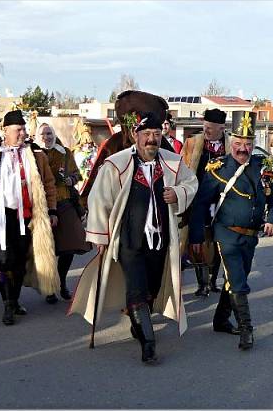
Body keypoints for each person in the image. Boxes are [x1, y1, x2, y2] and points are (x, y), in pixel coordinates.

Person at [69, 111, 197, 364]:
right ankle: (148, 344)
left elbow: (191, 182)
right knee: (136, 287)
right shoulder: (117, 164)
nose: (152, 139)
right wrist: (99, 236)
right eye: (147, 134)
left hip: (160, 239)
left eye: (157, 135)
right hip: (129, 239)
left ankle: (140, 322)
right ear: (136, 136)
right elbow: (99, 199)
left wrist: (178, 193)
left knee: (150, 286)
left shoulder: (172, 162)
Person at [189, 111, 273, 350]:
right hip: (226, 234)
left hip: (251, 236)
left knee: (235, 278)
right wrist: (197, 236)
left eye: (248, 144)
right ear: (231, 143)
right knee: (237, 280)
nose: (243, 149)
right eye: (238, 144)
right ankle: (246, 329)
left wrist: (272, 220)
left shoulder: (262, 167)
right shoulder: (217, 169)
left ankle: (220, 320)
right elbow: (200, 204)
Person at [0, 110, 59, 326]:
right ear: (5, 131)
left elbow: (49, 185)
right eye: (18, 130)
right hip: (0, 215)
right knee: (2, 260)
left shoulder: (36, 156)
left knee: (19, 261)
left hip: (27, 215)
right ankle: (8, 304)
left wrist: (52, 210)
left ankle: (15, 299)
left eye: (24, 129)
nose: (22, 133)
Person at [79, 90, 175, 206]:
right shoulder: (115, 144)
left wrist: (177, 194)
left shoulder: (159, 143)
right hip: (120, 206)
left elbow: (178, 174)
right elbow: (97, 179)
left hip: (157, 205)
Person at [35, 123, 89, 303]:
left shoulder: (65, 152)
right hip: (41, 204)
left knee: (69, 245)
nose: (46, 137)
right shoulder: (32, 153)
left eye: (49, 133)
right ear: (37, 135)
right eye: (43, 134)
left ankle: (62, 282)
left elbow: (76, 175)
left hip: (64, 201)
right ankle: (50, 288)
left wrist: (69, 179)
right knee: (48, 249)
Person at [180, 108, 228, 297]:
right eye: (205, 126)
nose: (206, 130)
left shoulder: (229, 144)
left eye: (210, 127)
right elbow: (182, 168)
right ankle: (202, 283)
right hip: (197, 197)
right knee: (197, 238)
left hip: (221, 199)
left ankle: (213, 280)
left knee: (218, 239)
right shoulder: (192, 143)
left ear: (221, 128)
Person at [73, 125, 97, 190]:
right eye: (85, 144)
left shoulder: (95, 153)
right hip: (82, 180)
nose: (88, 145)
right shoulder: (78, 154)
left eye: (89, 144)